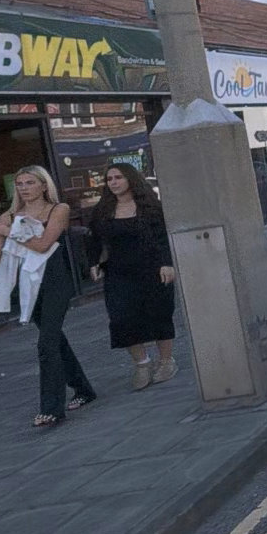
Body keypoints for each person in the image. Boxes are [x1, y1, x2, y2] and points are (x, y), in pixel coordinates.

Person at [0, 165, 97, 428]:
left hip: (55, 279)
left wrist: (9, 232)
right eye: (19, 184)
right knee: (54, 339)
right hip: (27, 282)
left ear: (43, 185)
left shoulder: (58, 210)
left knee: (46, 343)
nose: (24, 188)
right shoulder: (9, 215)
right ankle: (83, 389)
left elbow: (42, 245)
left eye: (30, 182)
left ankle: (51, 408)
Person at [86, 162, 178, 390]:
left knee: (159, 314)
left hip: (152, 269)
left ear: (130, 179)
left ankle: (166, 361)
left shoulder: (150, 207)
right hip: (119, 271)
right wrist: (93, 262)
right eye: (109, 179)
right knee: (121, 318)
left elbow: (162, 237)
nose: (114, 183)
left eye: (118, 177)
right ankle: (142, 363)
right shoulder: (103, 210)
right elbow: (92, 239)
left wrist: (167, 263)